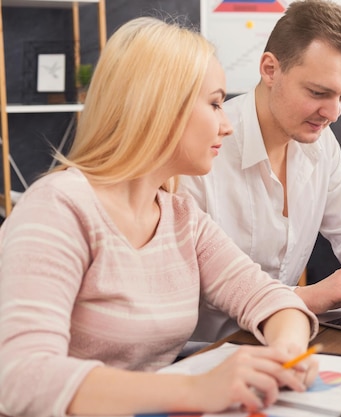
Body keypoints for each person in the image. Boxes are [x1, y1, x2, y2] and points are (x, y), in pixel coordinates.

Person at [0, 17, 320, 417]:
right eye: (215, 103)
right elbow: (20, 377)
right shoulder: (58, 208)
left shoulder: (181, 216)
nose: (227, 126)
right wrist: (192, 390)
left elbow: (268, 297)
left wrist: (286, 353)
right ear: (160, 106)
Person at [180, 0, 341, 342]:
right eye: (318, 92)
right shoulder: (203, 150)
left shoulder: (321, 144)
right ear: (270, 70)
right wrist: (305, 298)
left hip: (285, 337)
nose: (333, 113)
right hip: (209, 349)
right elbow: (193, 287)